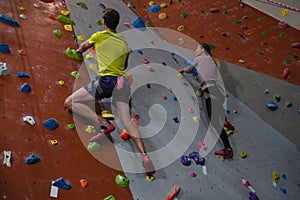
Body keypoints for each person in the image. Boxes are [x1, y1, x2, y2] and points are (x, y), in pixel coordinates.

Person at [64, 8, 155, 175]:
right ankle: (144, 155)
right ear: (117, 23)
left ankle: (105, 123)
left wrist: (76, 52)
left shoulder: (99, 36)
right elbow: (125, 66)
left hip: (106, 82)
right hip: (122, 83)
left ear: (104, 23)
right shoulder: (124, 42)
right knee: (127, 120)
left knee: (69, 102)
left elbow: (82, 48)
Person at [179, 43, 234, 159]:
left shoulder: (199, 58)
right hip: (217, 92)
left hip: (210, 91)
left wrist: (182, 70)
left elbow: (189, 69)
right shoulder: (212, 61)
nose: (195, 50)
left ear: (203, 50)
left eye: (198, 48)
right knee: (218, 117)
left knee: (214, 123)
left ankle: (227, 144)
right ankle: (226, 128)